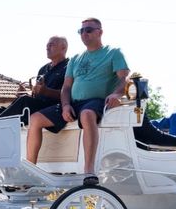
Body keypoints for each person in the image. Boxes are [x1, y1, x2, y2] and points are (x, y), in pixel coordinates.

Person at [26, 17, 129, 185]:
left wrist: (117, 94)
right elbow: (66, 88)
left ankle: (89, 170)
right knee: (35, 118)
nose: (84, 34)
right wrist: (66, 105)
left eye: (89, 30)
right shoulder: (75, 59)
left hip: (95, 101)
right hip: (73, 103)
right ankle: (31, 170)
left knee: (87, 114)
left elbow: (124, 78)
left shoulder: (113, 52)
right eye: (81, 31)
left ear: (100, 32)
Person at [0, 36, 68, 122]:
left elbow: (69, 94)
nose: (47, 48)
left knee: (25, 100)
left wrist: (46, 91)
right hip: (38, 105)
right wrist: (25, 93)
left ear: (63, 47)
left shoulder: (68, 67)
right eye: (47, 45)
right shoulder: (43, 69)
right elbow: (37, 95)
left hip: (54, 108)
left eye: (51, 45)